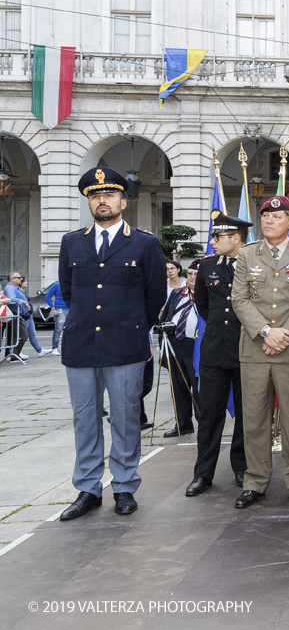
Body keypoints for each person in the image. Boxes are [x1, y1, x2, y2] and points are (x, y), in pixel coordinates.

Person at [56, 167, 166, 520]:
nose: (102, 201)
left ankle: (123, 485)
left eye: (108, 195)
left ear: (123, 200)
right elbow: (69, 292)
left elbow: (155, 295)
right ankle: (88, 488)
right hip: (81, 344)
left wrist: (133, 328)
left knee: (125, 417)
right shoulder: (72, 242)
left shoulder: (145, 243)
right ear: (89, 202)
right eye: (94, 196)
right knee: (85, 418)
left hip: (125, 345)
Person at [230, 195, 289, 510]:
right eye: (265, 215)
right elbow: (239, 299)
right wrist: (267, 332)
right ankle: (255, 481)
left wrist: (284, 333)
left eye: (277, 216)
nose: (269, 220)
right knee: (254, 418)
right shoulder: (246, 255)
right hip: (255, 348)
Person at [186, 210, 252, 497]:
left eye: (219, 236)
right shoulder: (207, 266)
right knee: (209, 414)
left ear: (236, 238)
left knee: (247, 415)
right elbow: (202, 305)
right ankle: (203, 474)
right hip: (214, 350)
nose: (213, 241)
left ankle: (242, 467)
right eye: (214, 236)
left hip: (246, 348)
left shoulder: (254, 265)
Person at [159, 261, 200, 438]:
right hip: (175, 343)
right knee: (178, 387)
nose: (192, 277)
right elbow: (166, 315)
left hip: (196, 346)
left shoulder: (208, 293)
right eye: (190, 274)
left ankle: (204, 424)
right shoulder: (177, 293)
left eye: (196, 275)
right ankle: (182, 424)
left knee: (199, 388)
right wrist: (163, 339)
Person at [3, 273, 40, 361]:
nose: (20, 279)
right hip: (15, 315)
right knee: (21, 336)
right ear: (12, 279)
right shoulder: (10, 287)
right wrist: (23, 301)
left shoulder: (15, 288)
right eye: (18, 278)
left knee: (18, 336)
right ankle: (14, 354)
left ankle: (14, 354)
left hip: (20, 315)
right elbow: (11, 299)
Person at [44, 278, 68, 355]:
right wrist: (53, 308)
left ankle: (67, 347)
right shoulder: (56, 285)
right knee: (58, 329)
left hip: (70, 308)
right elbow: (47, 296)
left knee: (70, 329)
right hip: (60, 308)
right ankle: (55, 347)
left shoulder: (70, 284)